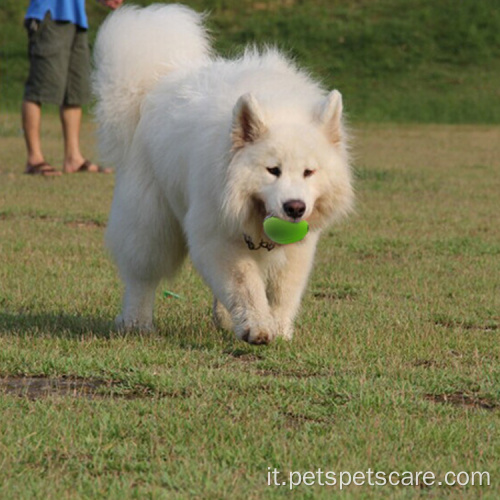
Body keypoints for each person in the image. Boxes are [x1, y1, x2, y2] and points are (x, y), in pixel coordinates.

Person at [22, 0, 123, 176]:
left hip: (76, 18)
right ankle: (34, 159)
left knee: (74, 92)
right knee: (38, 90)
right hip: (49, 13)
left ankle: (73, 158)